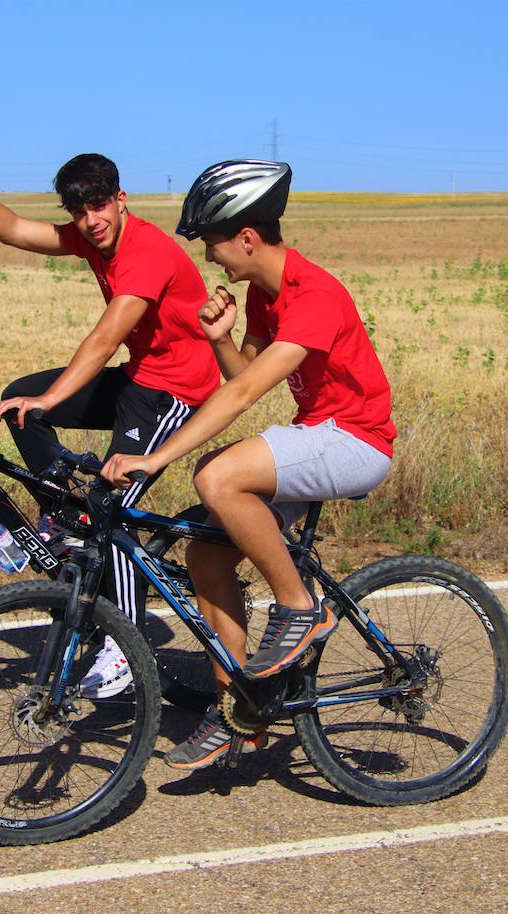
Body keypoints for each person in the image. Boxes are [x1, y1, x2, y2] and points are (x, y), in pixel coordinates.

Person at [0, 103, 221, 699]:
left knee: (114, 505)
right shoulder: (91, 240)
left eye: (99, 204)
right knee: (18, 401)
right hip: (141, 381)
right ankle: (61, 516)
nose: (90, 219)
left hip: (178, 392)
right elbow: (17, 229)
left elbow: (105, 338)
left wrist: (52, 397)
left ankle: (126, 647)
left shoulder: (148, 251)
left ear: (121, 198)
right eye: (78, 210)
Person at [102, 160, 396, 769]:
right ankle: (242, 708)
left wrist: (156, 457)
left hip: (356, 440)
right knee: (206, 553)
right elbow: (244, 375)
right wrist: (222, 340)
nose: (210, 259)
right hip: (317, 434)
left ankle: (298, 607)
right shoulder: (267, 297)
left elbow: (239, 397)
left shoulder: (314, 294)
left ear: (247, 237)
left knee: (216, 475)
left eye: (212, 244)